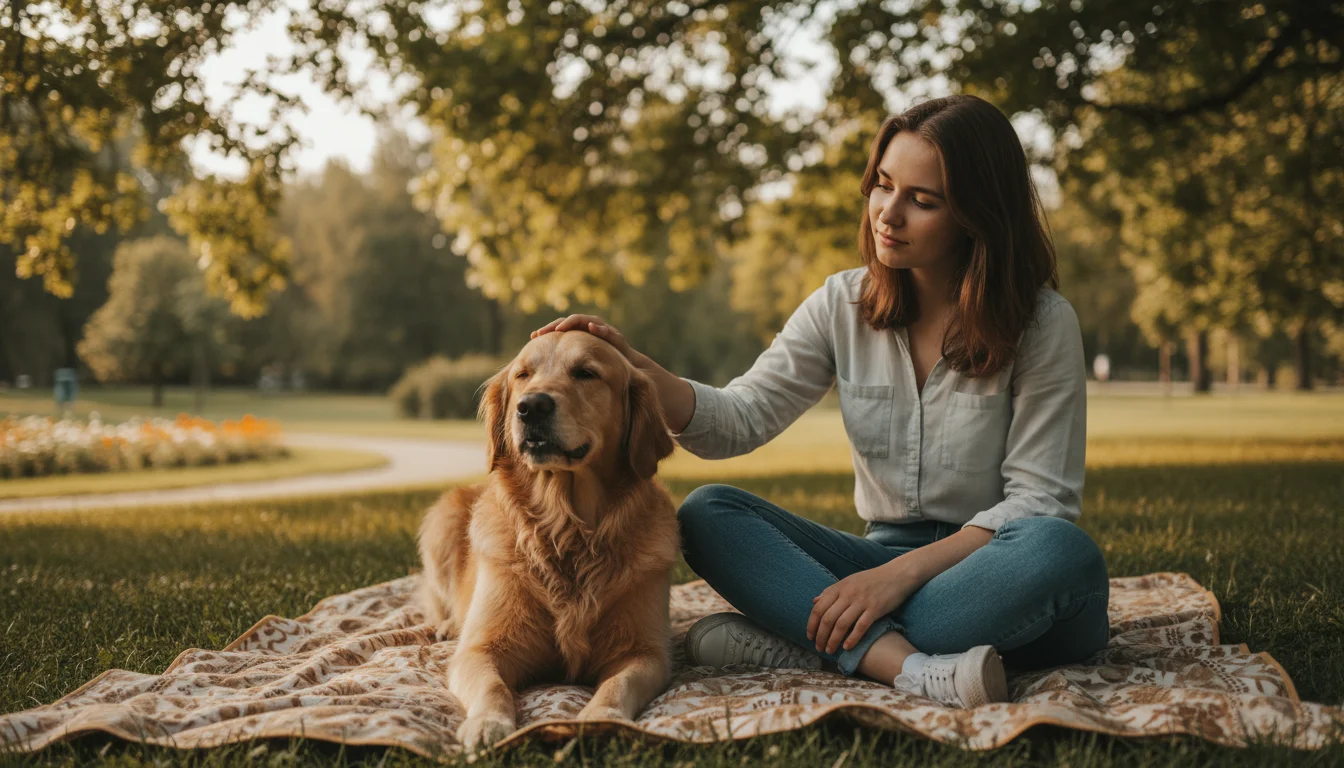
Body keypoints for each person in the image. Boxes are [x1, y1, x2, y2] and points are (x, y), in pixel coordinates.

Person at [530, 94, 1109, 709]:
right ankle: (909, 667)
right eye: (882, 185)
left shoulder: (1042, 323)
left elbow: (1039, 500)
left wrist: (896, 579)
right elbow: (738, 419)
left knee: (1058, 549)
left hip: (995, 570)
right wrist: (635, 368)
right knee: (707, 514)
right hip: (873, 555)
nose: (888, 213)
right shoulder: (842, 305)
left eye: (922, 200)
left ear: (977, 215)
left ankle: (823, 641)